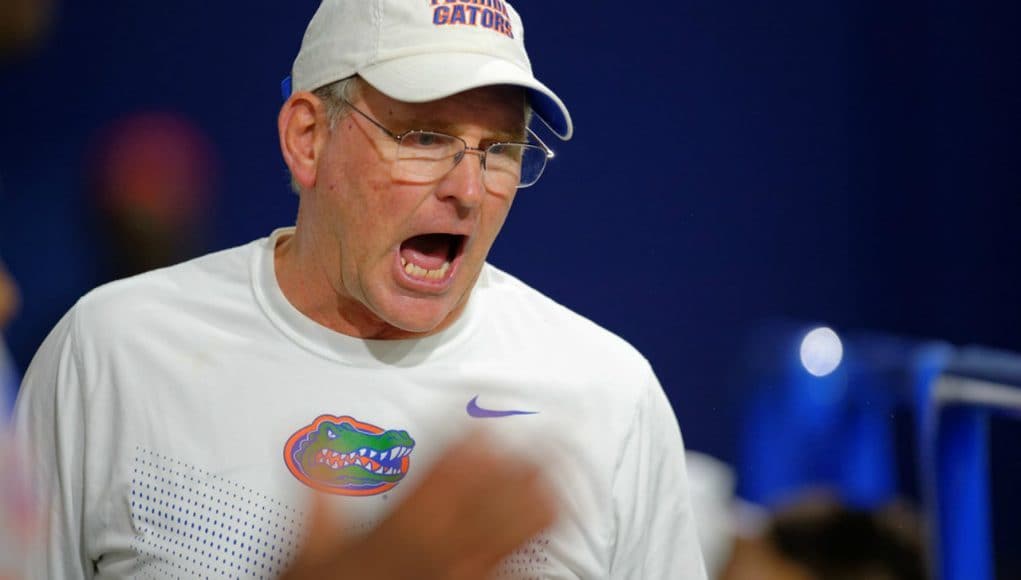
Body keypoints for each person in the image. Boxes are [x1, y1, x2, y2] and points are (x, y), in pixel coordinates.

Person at [13, 0, 707, 578]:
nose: (468, 189)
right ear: (308, 138)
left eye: (499, 150)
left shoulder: (611, 398)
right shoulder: (113, 351)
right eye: (425, 137)